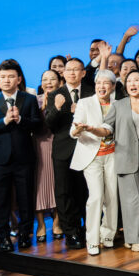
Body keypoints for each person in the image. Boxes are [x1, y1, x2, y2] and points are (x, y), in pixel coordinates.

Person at [0, 59, 41, 252]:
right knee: (0, 200)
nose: (6, 80)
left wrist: (21, 119)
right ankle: (2, 236)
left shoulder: (28, 99)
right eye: (2, 77)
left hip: (24, 157)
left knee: (25, 199)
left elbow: (37, 124)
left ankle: (24, 235)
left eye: (10, 76)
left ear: (19, 78)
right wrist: (5, 121)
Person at [102, 69, 139, 252]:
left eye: (137, 80)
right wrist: (97, 130)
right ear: (125, 85)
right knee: (133, 197)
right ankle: (136, 238)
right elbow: (107, 126)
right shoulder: (118, 105)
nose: (133, 84)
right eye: (129, 80)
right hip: (125, 155)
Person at [70, 70, 120, 255]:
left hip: (113, 155)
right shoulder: (85, 102)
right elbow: (73, 130)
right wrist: (78, 130)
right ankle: (91, 239)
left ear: (113, 86)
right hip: (92, 156)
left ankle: (108, 235)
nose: (102, 86)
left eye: (107, 83)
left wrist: (93, 129)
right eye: (99, 82)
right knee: (96, 196)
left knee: (112, 197)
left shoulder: (118, 104)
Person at [44, 57, 91, 250]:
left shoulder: (91, 93)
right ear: (63, 73)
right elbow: (50, 125)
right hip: (63, 151)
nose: (72, 73)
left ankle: (88, 229)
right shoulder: (56, 94)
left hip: (88, 148)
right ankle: (71, 232)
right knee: (64, 192)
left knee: (85, 191)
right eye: (68, 70)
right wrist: (56, 107)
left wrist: (77, 113)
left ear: (83, 73)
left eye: (76, 69)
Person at [34, 70, 63, 242]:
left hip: (58, 144)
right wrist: (42, 108)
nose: (48, 82)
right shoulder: (34, 101)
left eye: (52, 79)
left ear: (60, 81)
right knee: (38, 187)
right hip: (38, 146)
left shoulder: (64, 98)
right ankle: (40, 225)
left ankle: (57, 223)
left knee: (57, 185)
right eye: (45, 79)